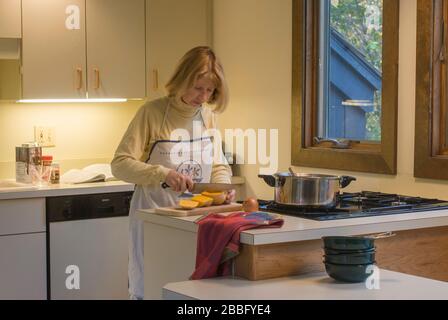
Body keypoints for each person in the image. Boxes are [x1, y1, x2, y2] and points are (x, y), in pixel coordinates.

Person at [111, 46, 234, 300]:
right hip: (155, 219)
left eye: (210, 90)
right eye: (198, 87)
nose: (203, 96)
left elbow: (218, 165)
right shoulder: (151, 113)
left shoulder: (208, 116)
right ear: (182, 79)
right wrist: (162, 173)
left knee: (189, 292)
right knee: (152, 287)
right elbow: (120, 163)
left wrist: (223, 188)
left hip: (196, 223)